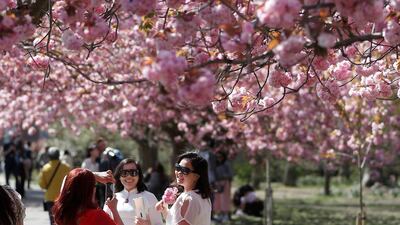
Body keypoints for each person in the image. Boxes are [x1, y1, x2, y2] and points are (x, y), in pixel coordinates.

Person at [156, 152, 212, 225]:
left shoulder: (190, 199)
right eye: (178, 167)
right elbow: (174, 221)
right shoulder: (203, 197)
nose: (179, 172)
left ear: (197, 176)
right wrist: (164, 210)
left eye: (185, 170)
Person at [53, 168, 124, 225]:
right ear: (89, 190)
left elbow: (68, 179)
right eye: (94, 185)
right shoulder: (96, 216)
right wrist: (114, 210)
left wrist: (91, 176)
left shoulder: (62, 213)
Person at [104, 159, 163, 225]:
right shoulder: (112, 198)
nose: (129, 176)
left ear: (139, 175)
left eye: (133, 172)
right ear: (119, 176)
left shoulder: (149, 197)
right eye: (124, 173)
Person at [38, 147, 71, 225]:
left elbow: (42, 185)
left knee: (52, 220)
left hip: (50, 198)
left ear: (49, 156)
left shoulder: (45, 168)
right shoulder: (66, 167)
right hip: (63, 197)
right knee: (62, 220)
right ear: (58, 155)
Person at [214, 151, 233, 222]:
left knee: (225, 199)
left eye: (220, 157)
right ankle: (221, 214)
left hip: (225, 183)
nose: (219, 158)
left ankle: (226, 215)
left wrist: (224, 177)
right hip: (217, 183)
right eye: (217, 157)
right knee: (218, 200)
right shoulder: (216, 164)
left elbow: (230, 174)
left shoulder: (226, 164)